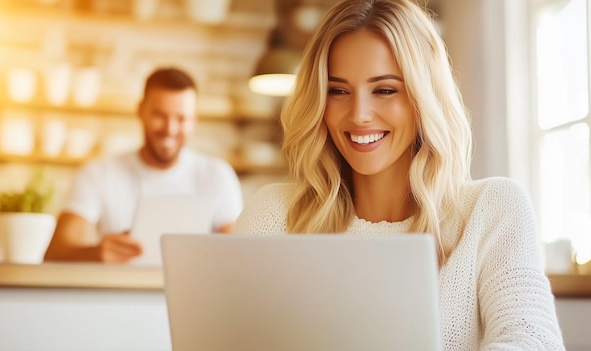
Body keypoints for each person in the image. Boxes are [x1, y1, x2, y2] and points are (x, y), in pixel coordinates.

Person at [233, 0, 565, 349]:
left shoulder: (493, 208)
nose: (360, 114)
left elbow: (533, 340)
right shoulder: (273, 214)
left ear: (423, 98)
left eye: (385, 89)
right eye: (339, 91)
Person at [45, 67, 243, 263]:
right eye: (160, 116)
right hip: (120, 293)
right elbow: (56, 251)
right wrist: (97, 253)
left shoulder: (217, 175)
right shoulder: (99, 173)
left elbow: (238, 255)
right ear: (140, 111)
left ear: (194, 120)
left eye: (181, 118)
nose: (170, 129)